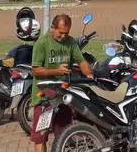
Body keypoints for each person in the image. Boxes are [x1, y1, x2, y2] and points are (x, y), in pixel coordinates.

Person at [30, 15, 92, 151]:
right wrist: (56, 71)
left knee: (64, 133)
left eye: (66, 33)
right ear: (52, 28)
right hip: (44, 97)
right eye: (60, 32)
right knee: (41, 136)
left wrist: (89, 75)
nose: (63, 36)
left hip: (63, 95)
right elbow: (36, 70)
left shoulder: (70, 42)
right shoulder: (42, 43)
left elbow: (82, 61)